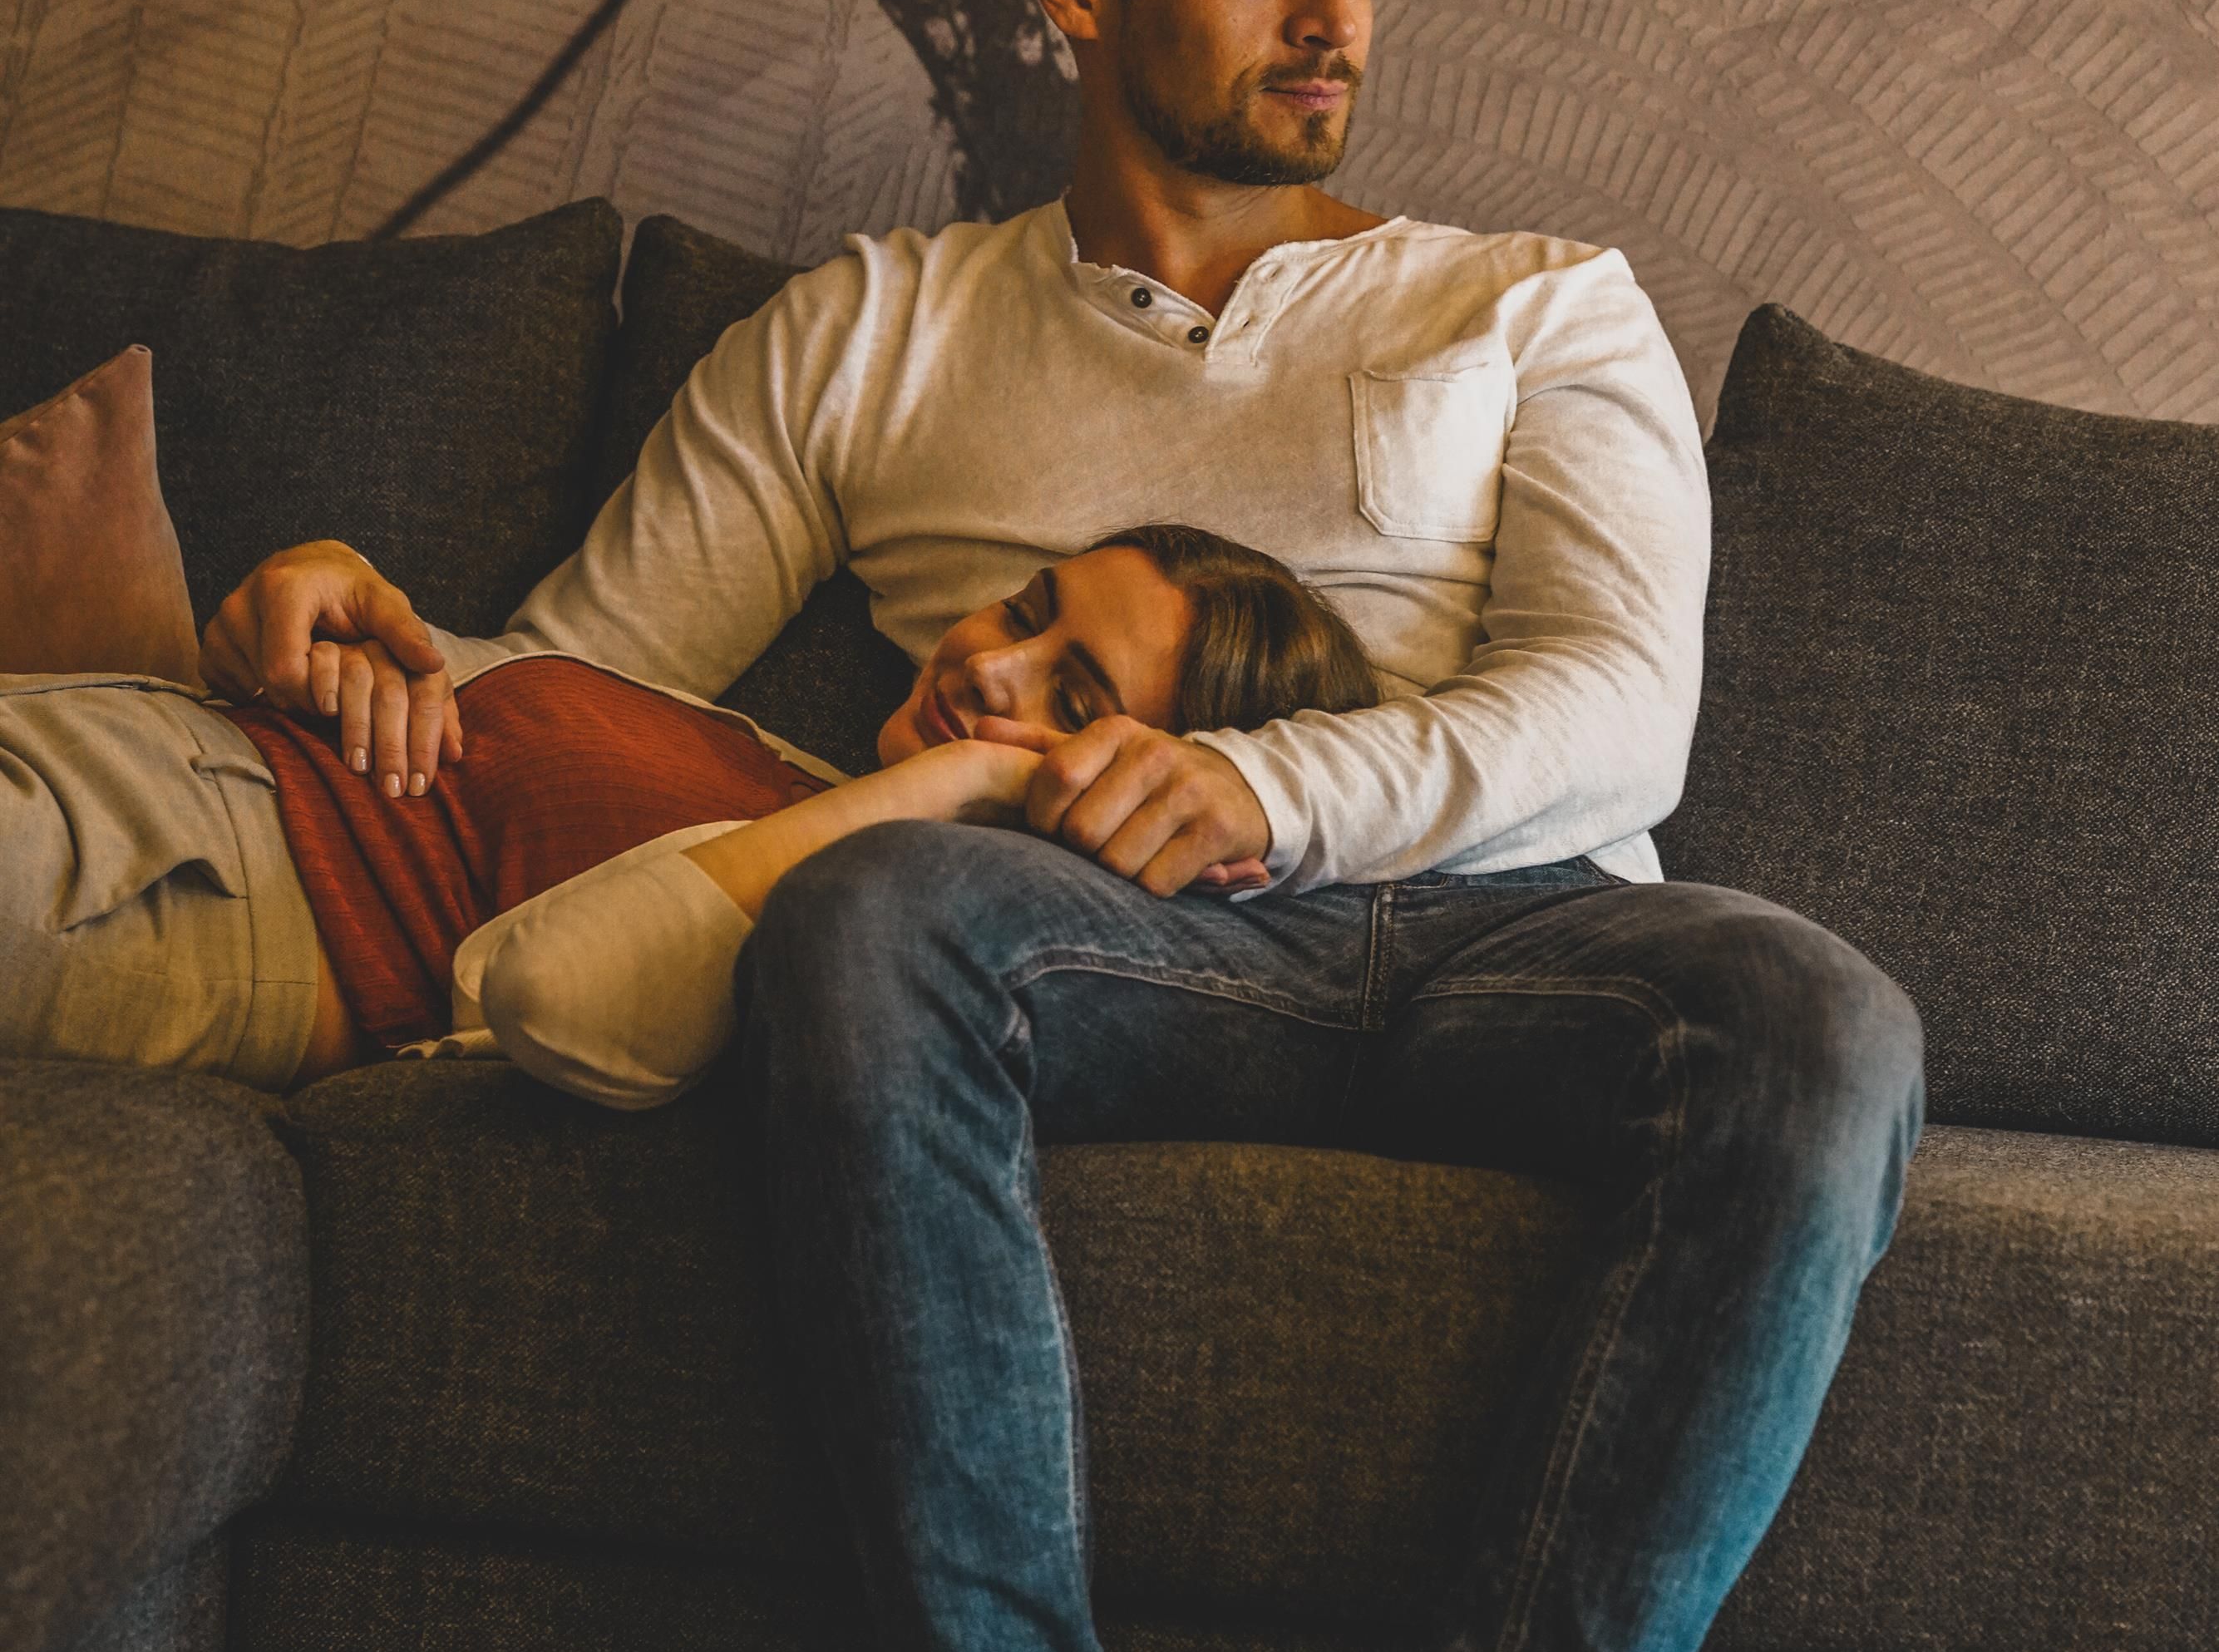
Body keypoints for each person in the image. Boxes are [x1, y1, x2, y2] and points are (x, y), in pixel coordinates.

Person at [205, 0, 1924, 1652]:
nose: (1336, 19)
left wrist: (1259, 784)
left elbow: (1612, 712)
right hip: (1096, 952)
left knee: (1818, 1018)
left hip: (1504, 939)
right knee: (868, 916)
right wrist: (343, 609)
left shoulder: (1534, 304)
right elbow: (582, 696)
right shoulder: (866, 333)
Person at [0, 523, 1370, 1097]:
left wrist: (968, 786)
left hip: (151, 874)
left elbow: (543, 995)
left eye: (1071, 700)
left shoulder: (857, 920)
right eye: (1022, 613)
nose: (988, 668)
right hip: (101, 734)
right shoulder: (783, 768)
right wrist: (311, 599)